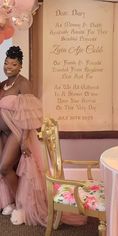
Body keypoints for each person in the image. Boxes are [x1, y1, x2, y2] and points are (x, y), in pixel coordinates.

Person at [0, 46, 47, 225]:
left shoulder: (23, 83)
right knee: (5, 170)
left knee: (4, 167)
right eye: (6, 63)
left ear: (20, 66)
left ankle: (22, 206)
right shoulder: (2, 84)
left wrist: (24, 139)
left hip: (16, 132)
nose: (8, 66)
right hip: (2, 133)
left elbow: (30, 114)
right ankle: (11, 201)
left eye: (13, 64)